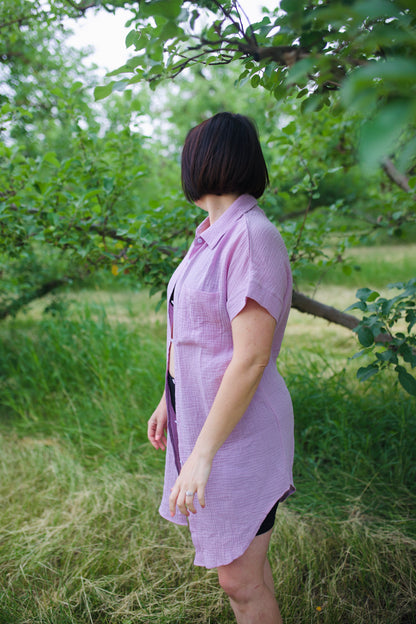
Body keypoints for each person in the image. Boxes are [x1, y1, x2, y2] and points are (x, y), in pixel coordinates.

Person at [147, 112, 294, 624]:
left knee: (239, 580)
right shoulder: (209, 235)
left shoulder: (250, 236)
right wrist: (168, 399)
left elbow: (250, 357)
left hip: (240, 429)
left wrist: (202, 455)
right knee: (242, 575)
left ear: (204, 161)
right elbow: (192, 332)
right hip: (208, 419)